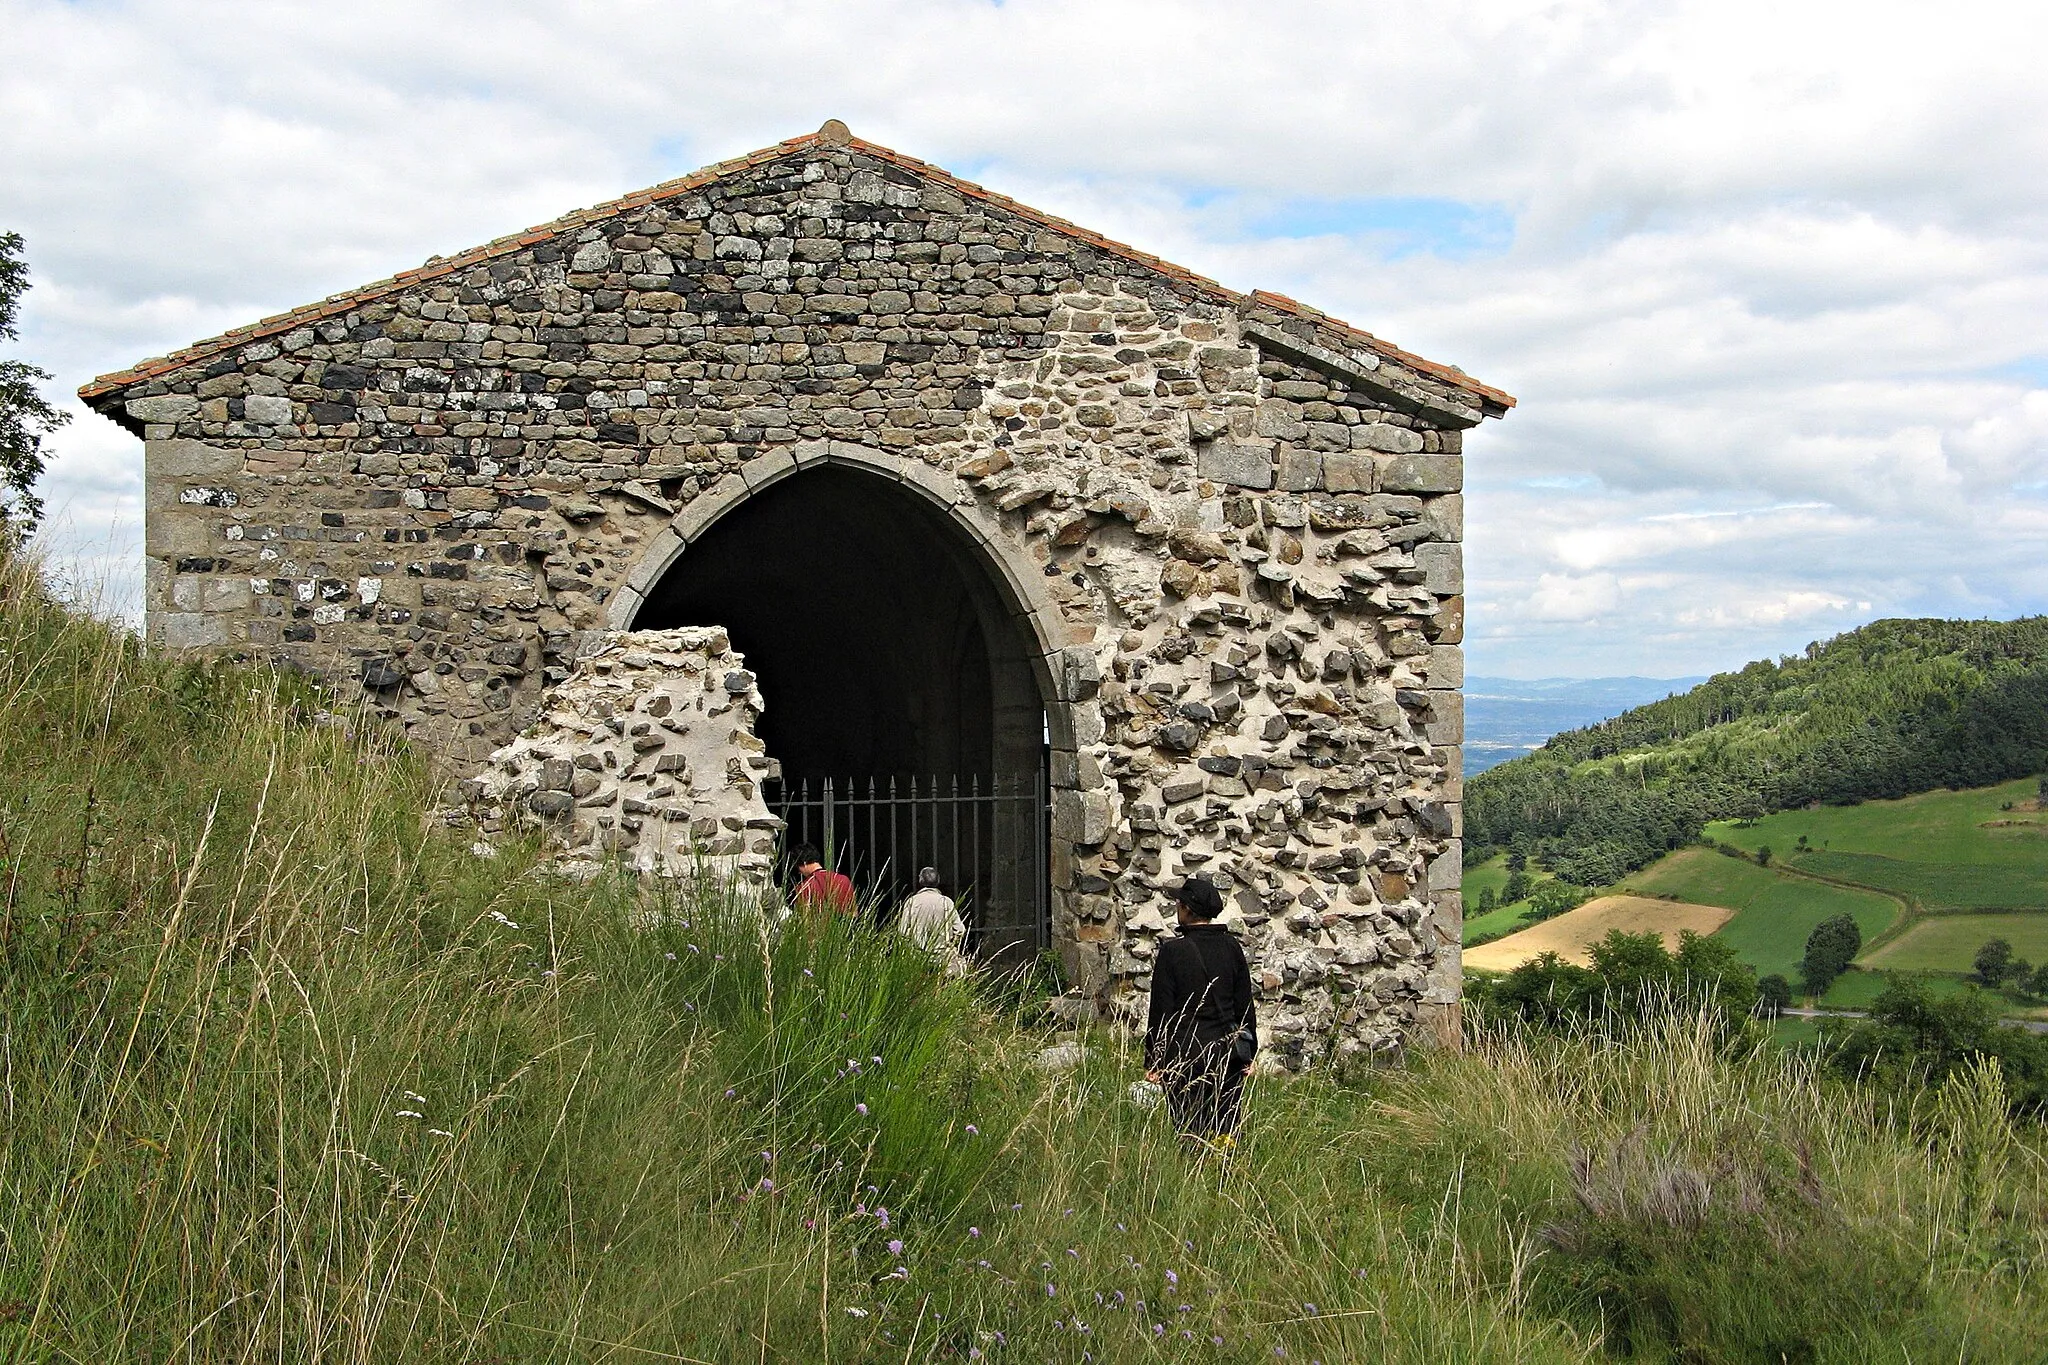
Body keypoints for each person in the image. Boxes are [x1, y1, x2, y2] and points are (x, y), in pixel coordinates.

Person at [1143, 876, 1257, 1143]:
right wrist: (1249, 1053)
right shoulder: (1232, 947)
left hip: (1185, 1056)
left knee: (1189, 1132)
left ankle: (1196, 1176)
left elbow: (1161, 1011)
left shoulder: (1173, 952)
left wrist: (1155, 1060)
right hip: (1227, 1056)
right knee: (1227, 1131)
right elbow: (1244, 1005)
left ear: (1187, 909)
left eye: (1179, 903)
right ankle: (1225, 1177)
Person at [896, 866, 968, 967]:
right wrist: (952, 943)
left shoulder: (912, 902)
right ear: (938, 881)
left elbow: (902, 932)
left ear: (920, 880)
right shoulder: (946, 902)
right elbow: (960, 930)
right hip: (943, 957)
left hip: (917, 956)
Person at [790, 843, 857, 917]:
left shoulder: (805, 886)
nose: (799, 872)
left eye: (797, 867)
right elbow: (853, 913)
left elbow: (803, 918)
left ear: (804, 863)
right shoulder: (844, 880)